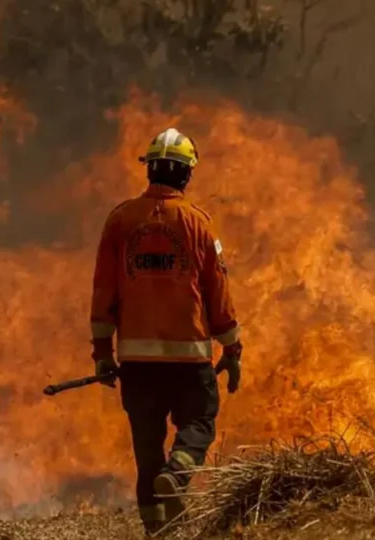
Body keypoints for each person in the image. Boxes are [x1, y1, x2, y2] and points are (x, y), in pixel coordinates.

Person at [89, 128, 243, 535]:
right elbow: (218, 292)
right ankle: (178, 474)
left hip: (137, 363)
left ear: (150, 170)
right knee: (199, 421)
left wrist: (103, 352)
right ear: (186, 175)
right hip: (189, 360)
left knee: (146, 449)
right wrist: (231, 346)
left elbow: (104, 290)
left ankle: (158, 531)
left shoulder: (120, 220)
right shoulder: (199, 224)